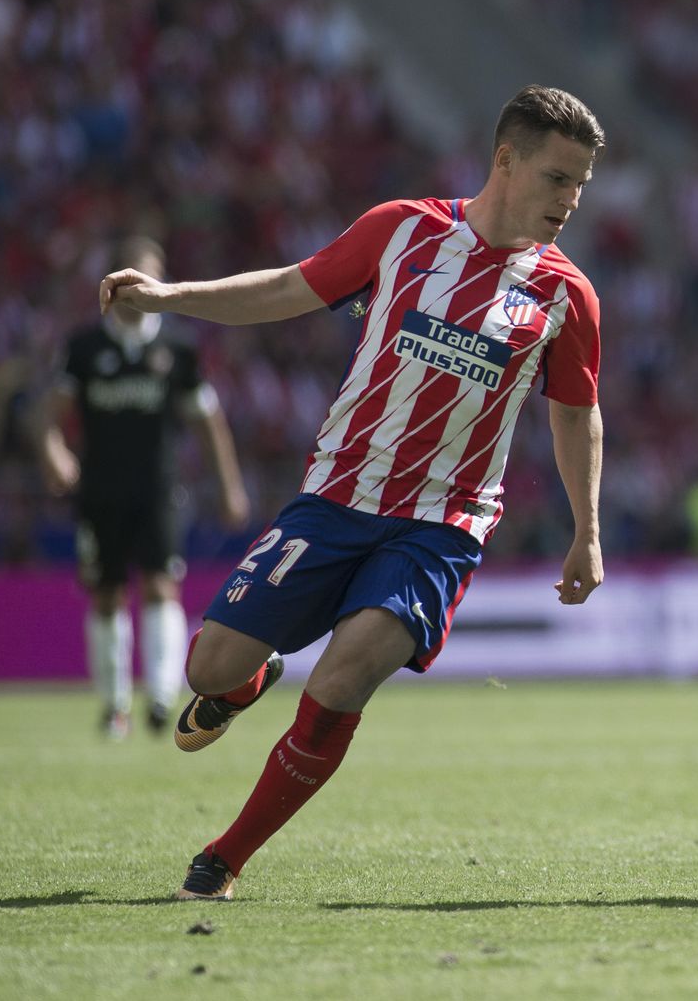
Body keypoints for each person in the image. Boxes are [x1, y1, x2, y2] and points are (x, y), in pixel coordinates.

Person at [98, 85, 607, 901]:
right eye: (557, 179)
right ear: (505, 161)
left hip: (440, 526)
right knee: (210, 664)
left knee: (344, 676)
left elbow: (577, 417)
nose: (571, 201)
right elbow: (285, 288)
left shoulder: (565, 294)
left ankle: (222, 859)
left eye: (581, 184)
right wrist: (168, 297)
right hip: (336, 498)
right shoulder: (402, 230)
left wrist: (587, 531)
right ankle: (244, 684)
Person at [40, 236, 251, 740]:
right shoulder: (84, 348)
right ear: (113, 286)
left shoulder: (176, 350)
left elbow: (207, 421)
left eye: (152, 278)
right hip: (100, 490)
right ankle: (114, 705)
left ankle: (160, 696)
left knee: (160, 584)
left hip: (158, 489)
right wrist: (54, 450)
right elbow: (48, 415)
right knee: (107, 592)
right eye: (134, 278)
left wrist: (228, 485)